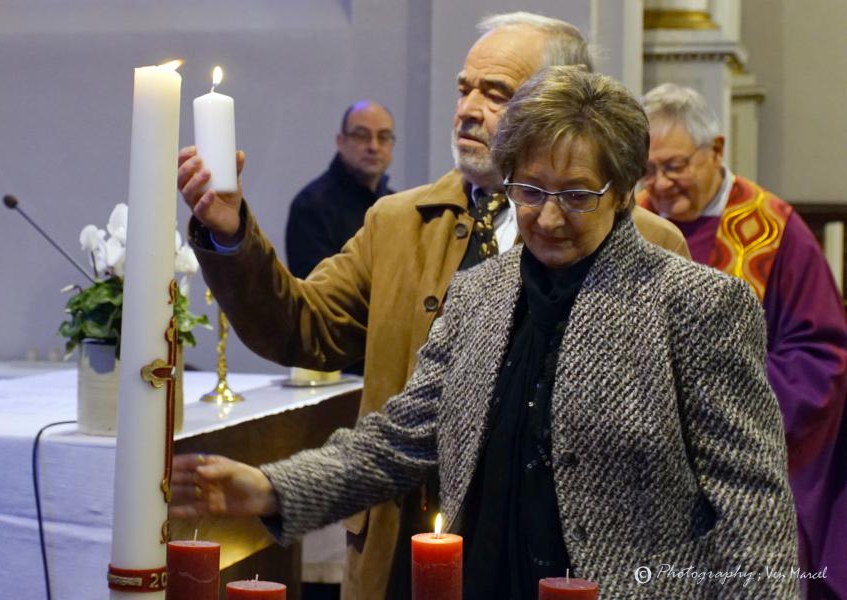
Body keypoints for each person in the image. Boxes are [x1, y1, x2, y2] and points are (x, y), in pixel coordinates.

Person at [172, 68, 799, 599]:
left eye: (578, 195)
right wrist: (270, 486)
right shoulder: (478, 295)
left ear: (624, 191)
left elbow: (752, 506)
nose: (550, 217)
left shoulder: (697, 304)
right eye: (530, 191)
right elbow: (397, 443)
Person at [637, 83, 847, 600]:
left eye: (675, 166)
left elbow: (818, 352)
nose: (660, 185)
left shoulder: (773, 230)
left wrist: (726, 407)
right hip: (646, 452)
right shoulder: (633, 222)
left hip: (742, 452)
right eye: (648, 169)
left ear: (717, 151)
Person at [285, 100, 396, 279]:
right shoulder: (310, 206)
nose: (373, 147)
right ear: (341, 142)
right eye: (362, 135)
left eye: (383, 137)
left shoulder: (395, 205)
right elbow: (316, 291)